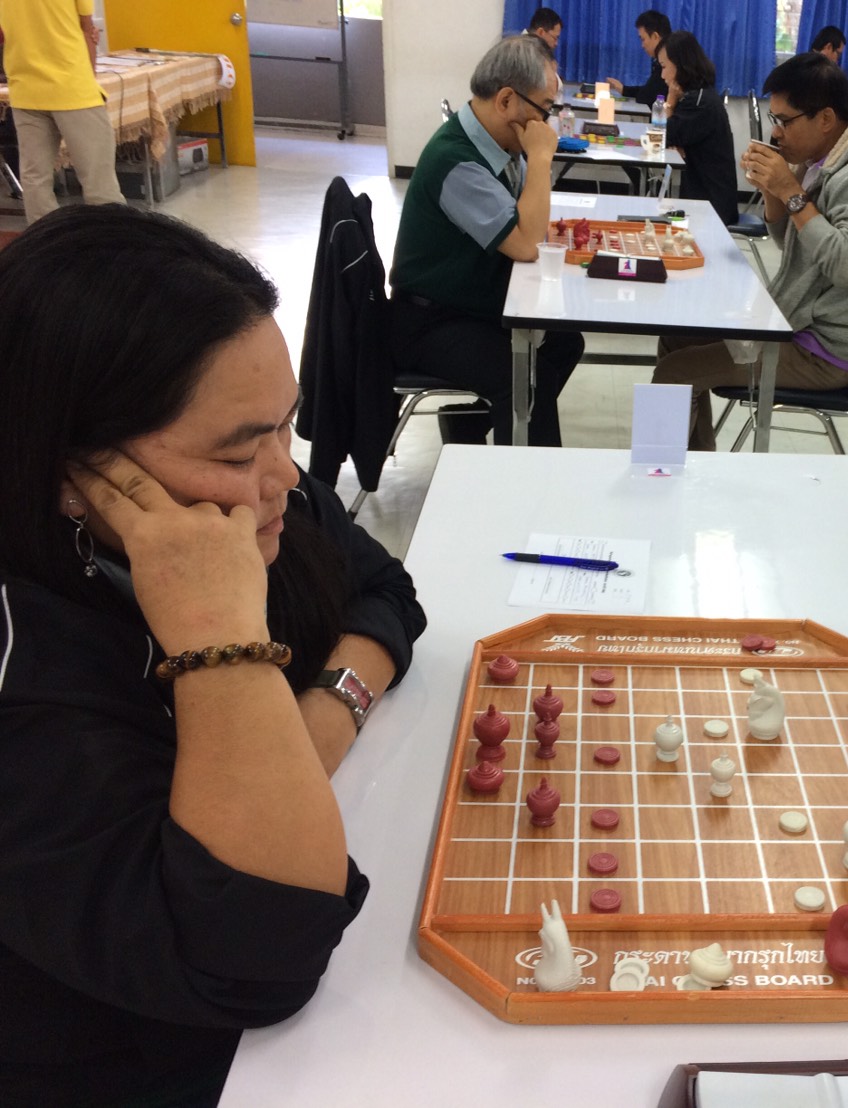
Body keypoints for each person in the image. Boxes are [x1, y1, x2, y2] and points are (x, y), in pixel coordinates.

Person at [0, 204, 426, 1104]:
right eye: (238, 454)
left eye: (285, 426)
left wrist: (317, 721)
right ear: (77, 476)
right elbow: (259, 958)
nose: (285, 475)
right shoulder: (26, 672)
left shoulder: (259, 501)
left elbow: (385, 592)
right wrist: (217, 637)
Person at [652, 52, 848, 450]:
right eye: (774, 119)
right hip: (795, 320)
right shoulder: (825, 156)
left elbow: (846, 265)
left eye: (785, 121)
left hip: (822, 350)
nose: (776, 133)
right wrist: (773, 190)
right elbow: (797, 244)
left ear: (825, 118)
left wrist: (790, 190)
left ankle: (658, 474)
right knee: (675, 339)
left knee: (675, 372)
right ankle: (696, 463)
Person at [390, 35, 584, 446]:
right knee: (525, 380)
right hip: (431, 321)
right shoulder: (456, 161)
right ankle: (529, 480)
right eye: (544, 109)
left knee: (565, 343)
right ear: (507, 100)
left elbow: (528, 221)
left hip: (469, 302)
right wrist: (542, 158)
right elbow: (526, 245)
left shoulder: (498, 146)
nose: (545, 123)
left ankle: (470, 424)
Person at [0, 0, 124, 223]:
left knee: (35, 179)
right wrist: (89, 80)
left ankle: (45, 239)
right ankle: (112, 237)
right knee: (98, 181)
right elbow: (88, 30)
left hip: (25, 90)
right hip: (73, 90)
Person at [658, 30, 738, 226]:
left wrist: (670, 101)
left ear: (680, 65)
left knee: (657, 222)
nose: (662, 75)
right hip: (705, 196)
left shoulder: (699, 102)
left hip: (712, 206)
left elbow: (663, 135)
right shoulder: (698, 95)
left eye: (664, 67)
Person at [604, 9, 669, 106]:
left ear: (655, 36)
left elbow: (647, 97)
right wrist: (623, 89)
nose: (642, 45)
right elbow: (649, 90)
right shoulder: (658, 59)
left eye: (643, 39)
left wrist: (625, 90)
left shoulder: (669, 60)